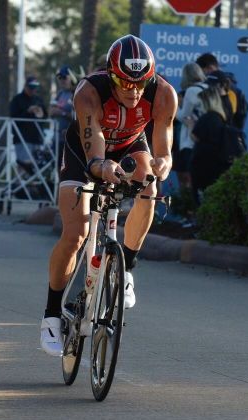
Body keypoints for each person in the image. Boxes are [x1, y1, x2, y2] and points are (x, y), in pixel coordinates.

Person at [40, 34, 178, 356]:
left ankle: (125, 269)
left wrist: (163, 163)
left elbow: (163, 148)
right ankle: (50, 315)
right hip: (86, 151)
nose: (133, 91)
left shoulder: (164, 94)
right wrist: (102, 167)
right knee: (77, 233)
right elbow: (94, 146)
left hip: (130, 144)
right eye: (124, 83)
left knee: (150, 185)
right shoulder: (89, 91)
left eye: (140, 83)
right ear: (111, 75)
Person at [190, 86, 230, 204]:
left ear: (207, 102)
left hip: (202, 163)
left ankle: (200, 220)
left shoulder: (207, 117)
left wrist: (191, 124)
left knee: (200, 196)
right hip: (216, 163)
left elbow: (195, 136)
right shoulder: (221, 117)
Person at [175, 62, 207, 190]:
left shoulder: (191, 91)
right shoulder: (207, 87)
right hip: (205, 139)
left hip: (190, 140)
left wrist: (175, 106)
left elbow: (183, 116)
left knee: (190, 180)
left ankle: (189, 208)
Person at [9, 75, 47, 167]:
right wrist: (27, 111)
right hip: (22, 139)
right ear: (25, 86)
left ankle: (33, 182)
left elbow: (45, 116)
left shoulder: (38, 100)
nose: (33, 90)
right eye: (30, 87)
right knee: (24, 165)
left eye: (35, 87)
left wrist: (40, 112)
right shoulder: (17, 99)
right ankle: (20, 182)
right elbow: (13, 118)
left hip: (37, 138)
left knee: (36, 167)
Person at [49, 66, 76, 173]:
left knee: (67, 169)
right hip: (57, 138)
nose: (62, 80)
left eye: (64, 77)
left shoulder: (74, 93)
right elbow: (51, 111)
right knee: (57, 169)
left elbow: (77, 115)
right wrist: (61, 112)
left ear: (71, 77)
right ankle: (58, 189)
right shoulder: (60, 94)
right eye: (59, 78)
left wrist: (62, 113)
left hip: (69, 139)